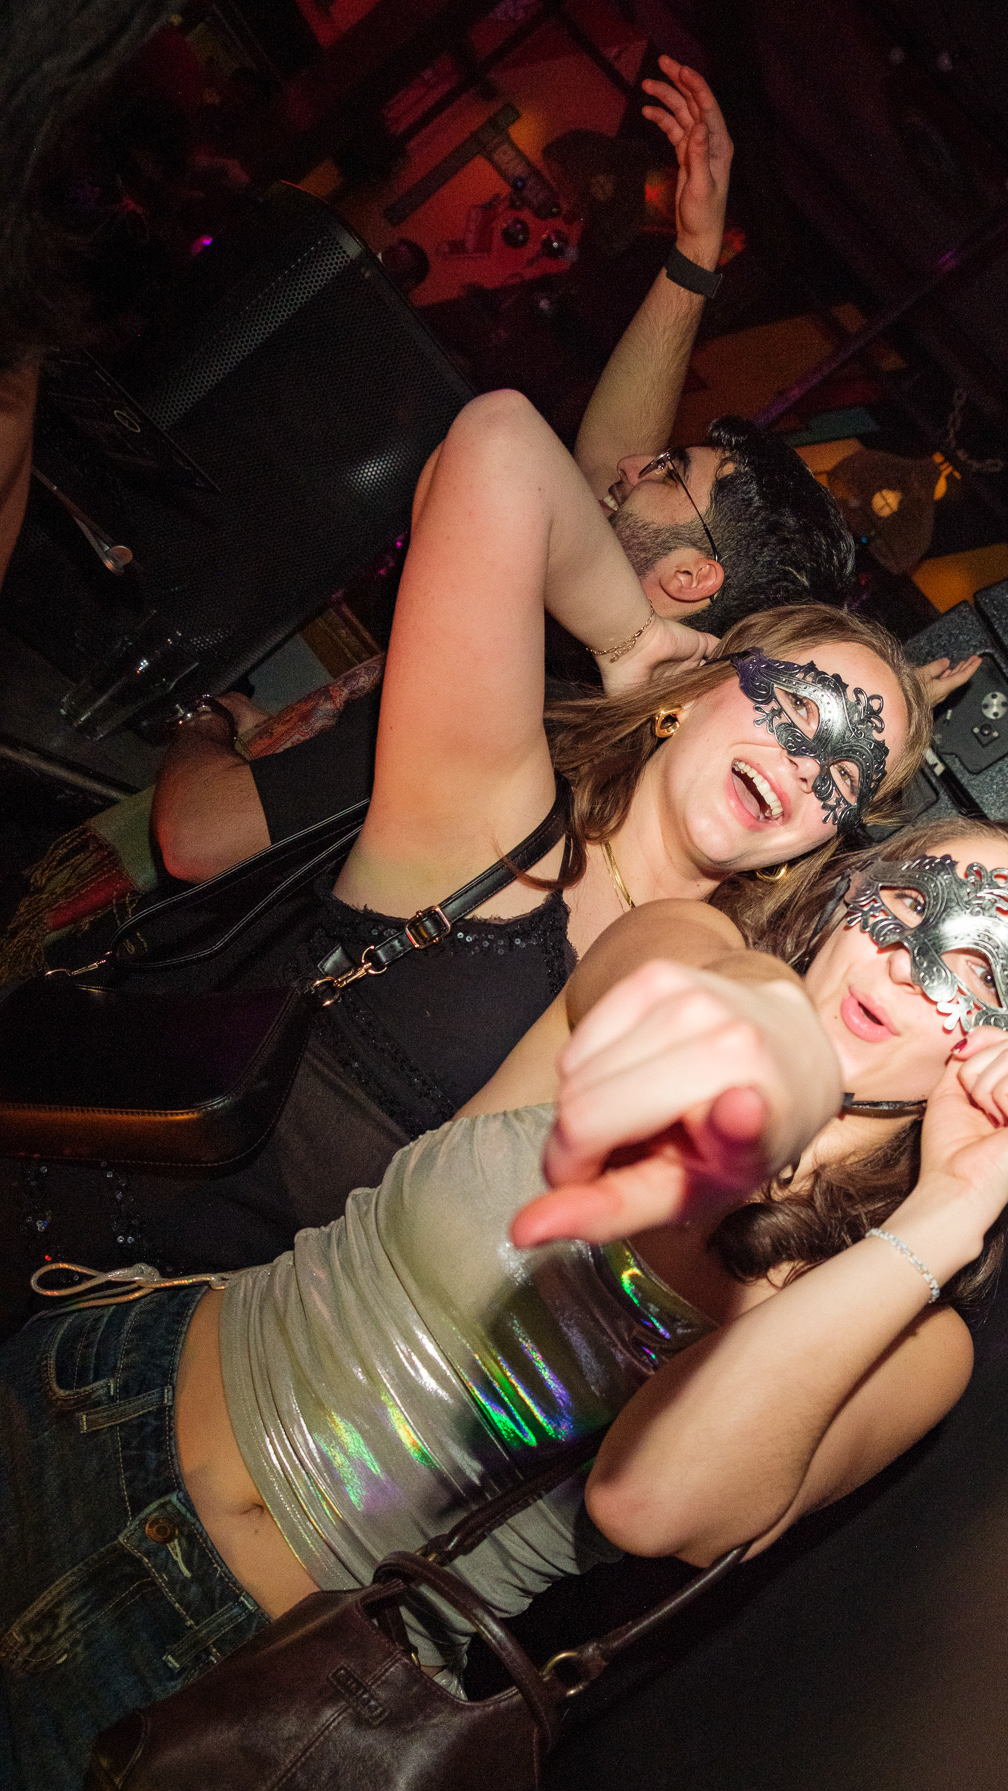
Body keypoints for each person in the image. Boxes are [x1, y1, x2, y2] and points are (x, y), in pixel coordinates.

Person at [0, 817, 1008, 1791]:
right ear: (849, 890)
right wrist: (768, 1035)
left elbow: (657, 1502)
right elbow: (668, 962)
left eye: (978, 967)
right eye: (910, 901)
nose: (906, 957)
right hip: (91, 1379)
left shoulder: (914, 1337)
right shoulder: (690, 966)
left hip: (196, 1662)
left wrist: (948, 1211)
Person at [1, 386, 930, 1323]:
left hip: (254, 1372)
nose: (807, 764)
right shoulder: (491, 809)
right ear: (693, 693)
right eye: (797, 707)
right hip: (64, 1250)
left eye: (847, 775)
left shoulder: (725, 992)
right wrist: (634, 635)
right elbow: (500, 445)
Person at [150, 58, 952, 885]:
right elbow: (604, 459)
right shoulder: (587, 702)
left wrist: (207, 721)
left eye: (668, 471)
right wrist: (693, 254)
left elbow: (199, 835)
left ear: (689, 577)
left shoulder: (509, 699)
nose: (634, 463)